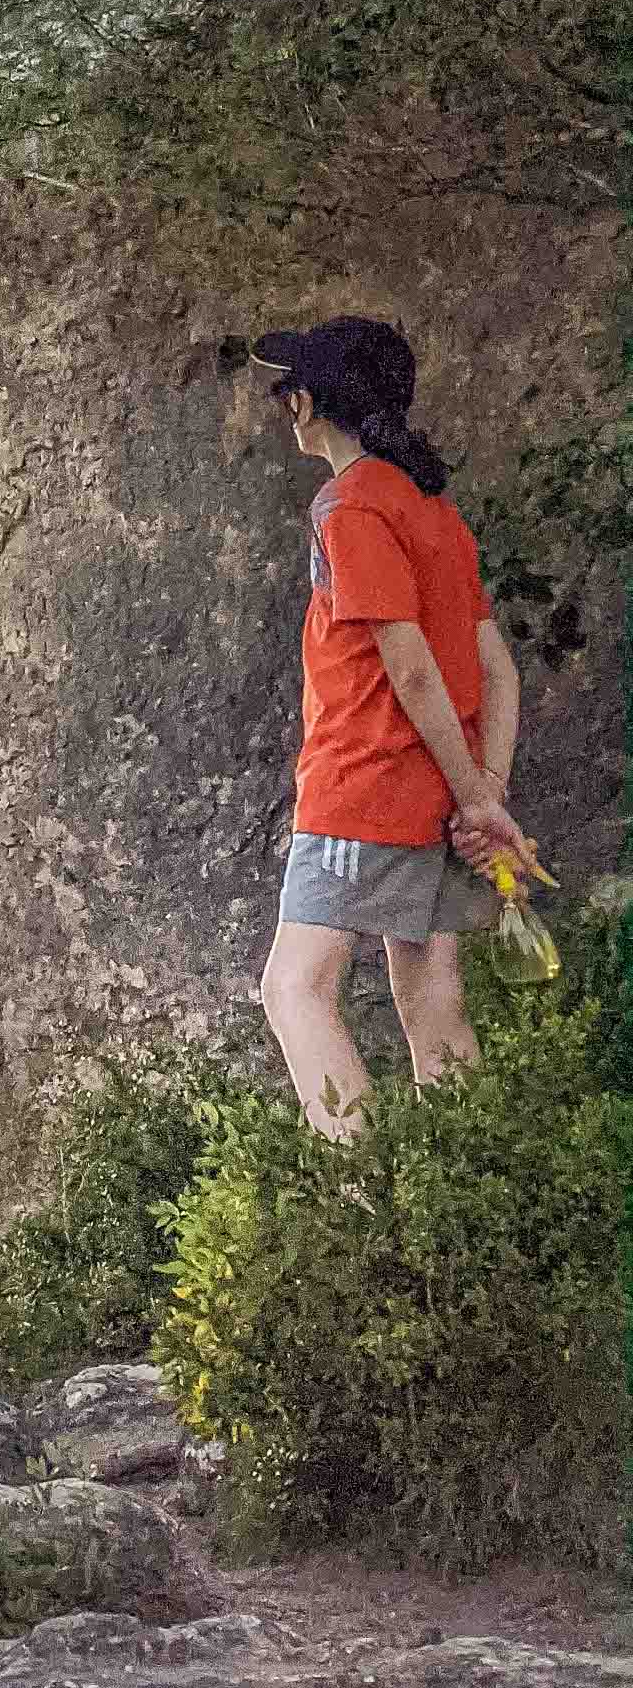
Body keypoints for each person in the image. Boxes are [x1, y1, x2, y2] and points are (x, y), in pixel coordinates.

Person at [248, 316, 540, 1134]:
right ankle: (463, 1202)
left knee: (294, 988)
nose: (285, 406)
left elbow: (408, 668)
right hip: (440, 800)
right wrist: (484, 791)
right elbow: (496, 668)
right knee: (433, 1008)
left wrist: (478, 801)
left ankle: (367, 1208)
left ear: (309, 402)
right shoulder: (433, 510)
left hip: (364, 785)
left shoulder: (348, 507)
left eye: (286, 391)